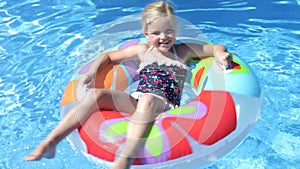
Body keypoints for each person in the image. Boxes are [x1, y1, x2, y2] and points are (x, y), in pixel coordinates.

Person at [24, 1, 231, 169]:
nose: (163, 37)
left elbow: (213, 48)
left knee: (149, 99)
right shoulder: (142, 51)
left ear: (176, 30)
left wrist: (221, 54)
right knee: (96, 94)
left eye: (169, 31)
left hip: (166, 106)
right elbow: (108, 56)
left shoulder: (182, 51)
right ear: (146, 33)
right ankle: (50, 142)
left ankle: (125, 160)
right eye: (156, 32)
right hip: (137, 101)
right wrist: (92, 74)